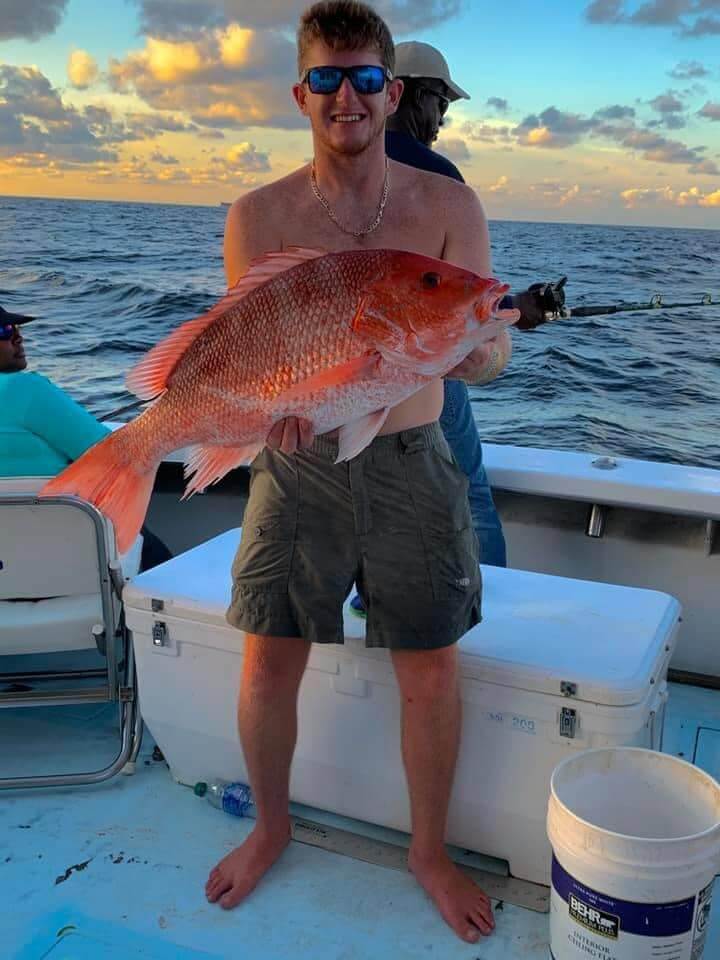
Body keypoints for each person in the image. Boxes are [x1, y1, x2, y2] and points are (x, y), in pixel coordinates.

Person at [206, 1, 505, 943]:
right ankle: (272, 826)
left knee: (430, 667)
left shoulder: (448, 207)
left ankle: (427, 851)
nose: (349, 97)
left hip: (414, 457)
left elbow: (490, 350)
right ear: (302, 93)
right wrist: (264, 416)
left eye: (367, 78)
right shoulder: (257, 216)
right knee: (268, 657)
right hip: (296, 466)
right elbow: (251, 353)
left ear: (392, 92)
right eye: (329, 78)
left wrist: (468, 358)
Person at [0, 304, 171, 570]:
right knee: (152, 550)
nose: (17, 337)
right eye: (5, 330)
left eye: (16, 328)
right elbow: (115, 454)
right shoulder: (25, 390)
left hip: (9, 579)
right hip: (70, 563)